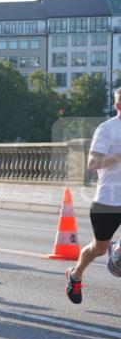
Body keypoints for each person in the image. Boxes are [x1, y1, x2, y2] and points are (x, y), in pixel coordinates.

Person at [67, 87, 121, 300]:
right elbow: (92, 163)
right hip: (108, 200)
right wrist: (117, 156)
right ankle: (75, 275)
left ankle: (117, 249)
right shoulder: (107, 129)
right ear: (117, 106)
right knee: (98, 248)